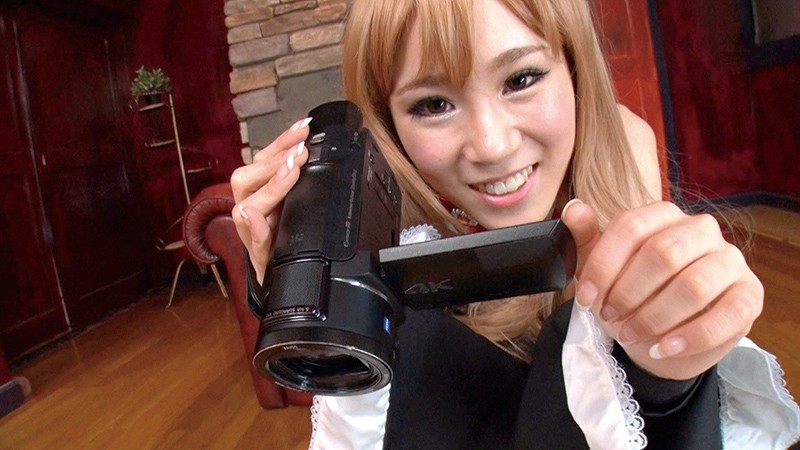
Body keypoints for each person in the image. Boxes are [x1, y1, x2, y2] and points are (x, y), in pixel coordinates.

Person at [231, 0, 800, 448]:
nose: (492, 145)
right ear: (389, 127)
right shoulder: (401, 262)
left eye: (522, 78)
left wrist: (667, 370)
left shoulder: (626, 155)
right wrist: (295, 281)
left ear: (575, 70)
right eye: (433, 105)